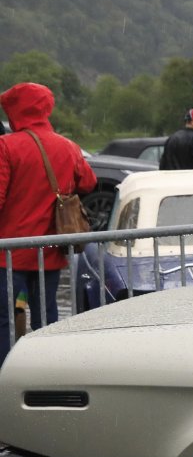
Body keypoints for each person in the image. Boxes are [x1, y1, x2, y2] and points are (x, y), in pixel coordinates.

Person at [0, 82, 96, 364]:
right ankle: (48, 369)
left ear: (15, 111)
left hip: (10, 253)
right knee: (46, 317)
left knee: (4, 319)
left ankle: (5, 374)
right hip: (50, 252)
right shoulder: (68, 146)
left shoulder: (6, 146)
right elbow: (88, 182)